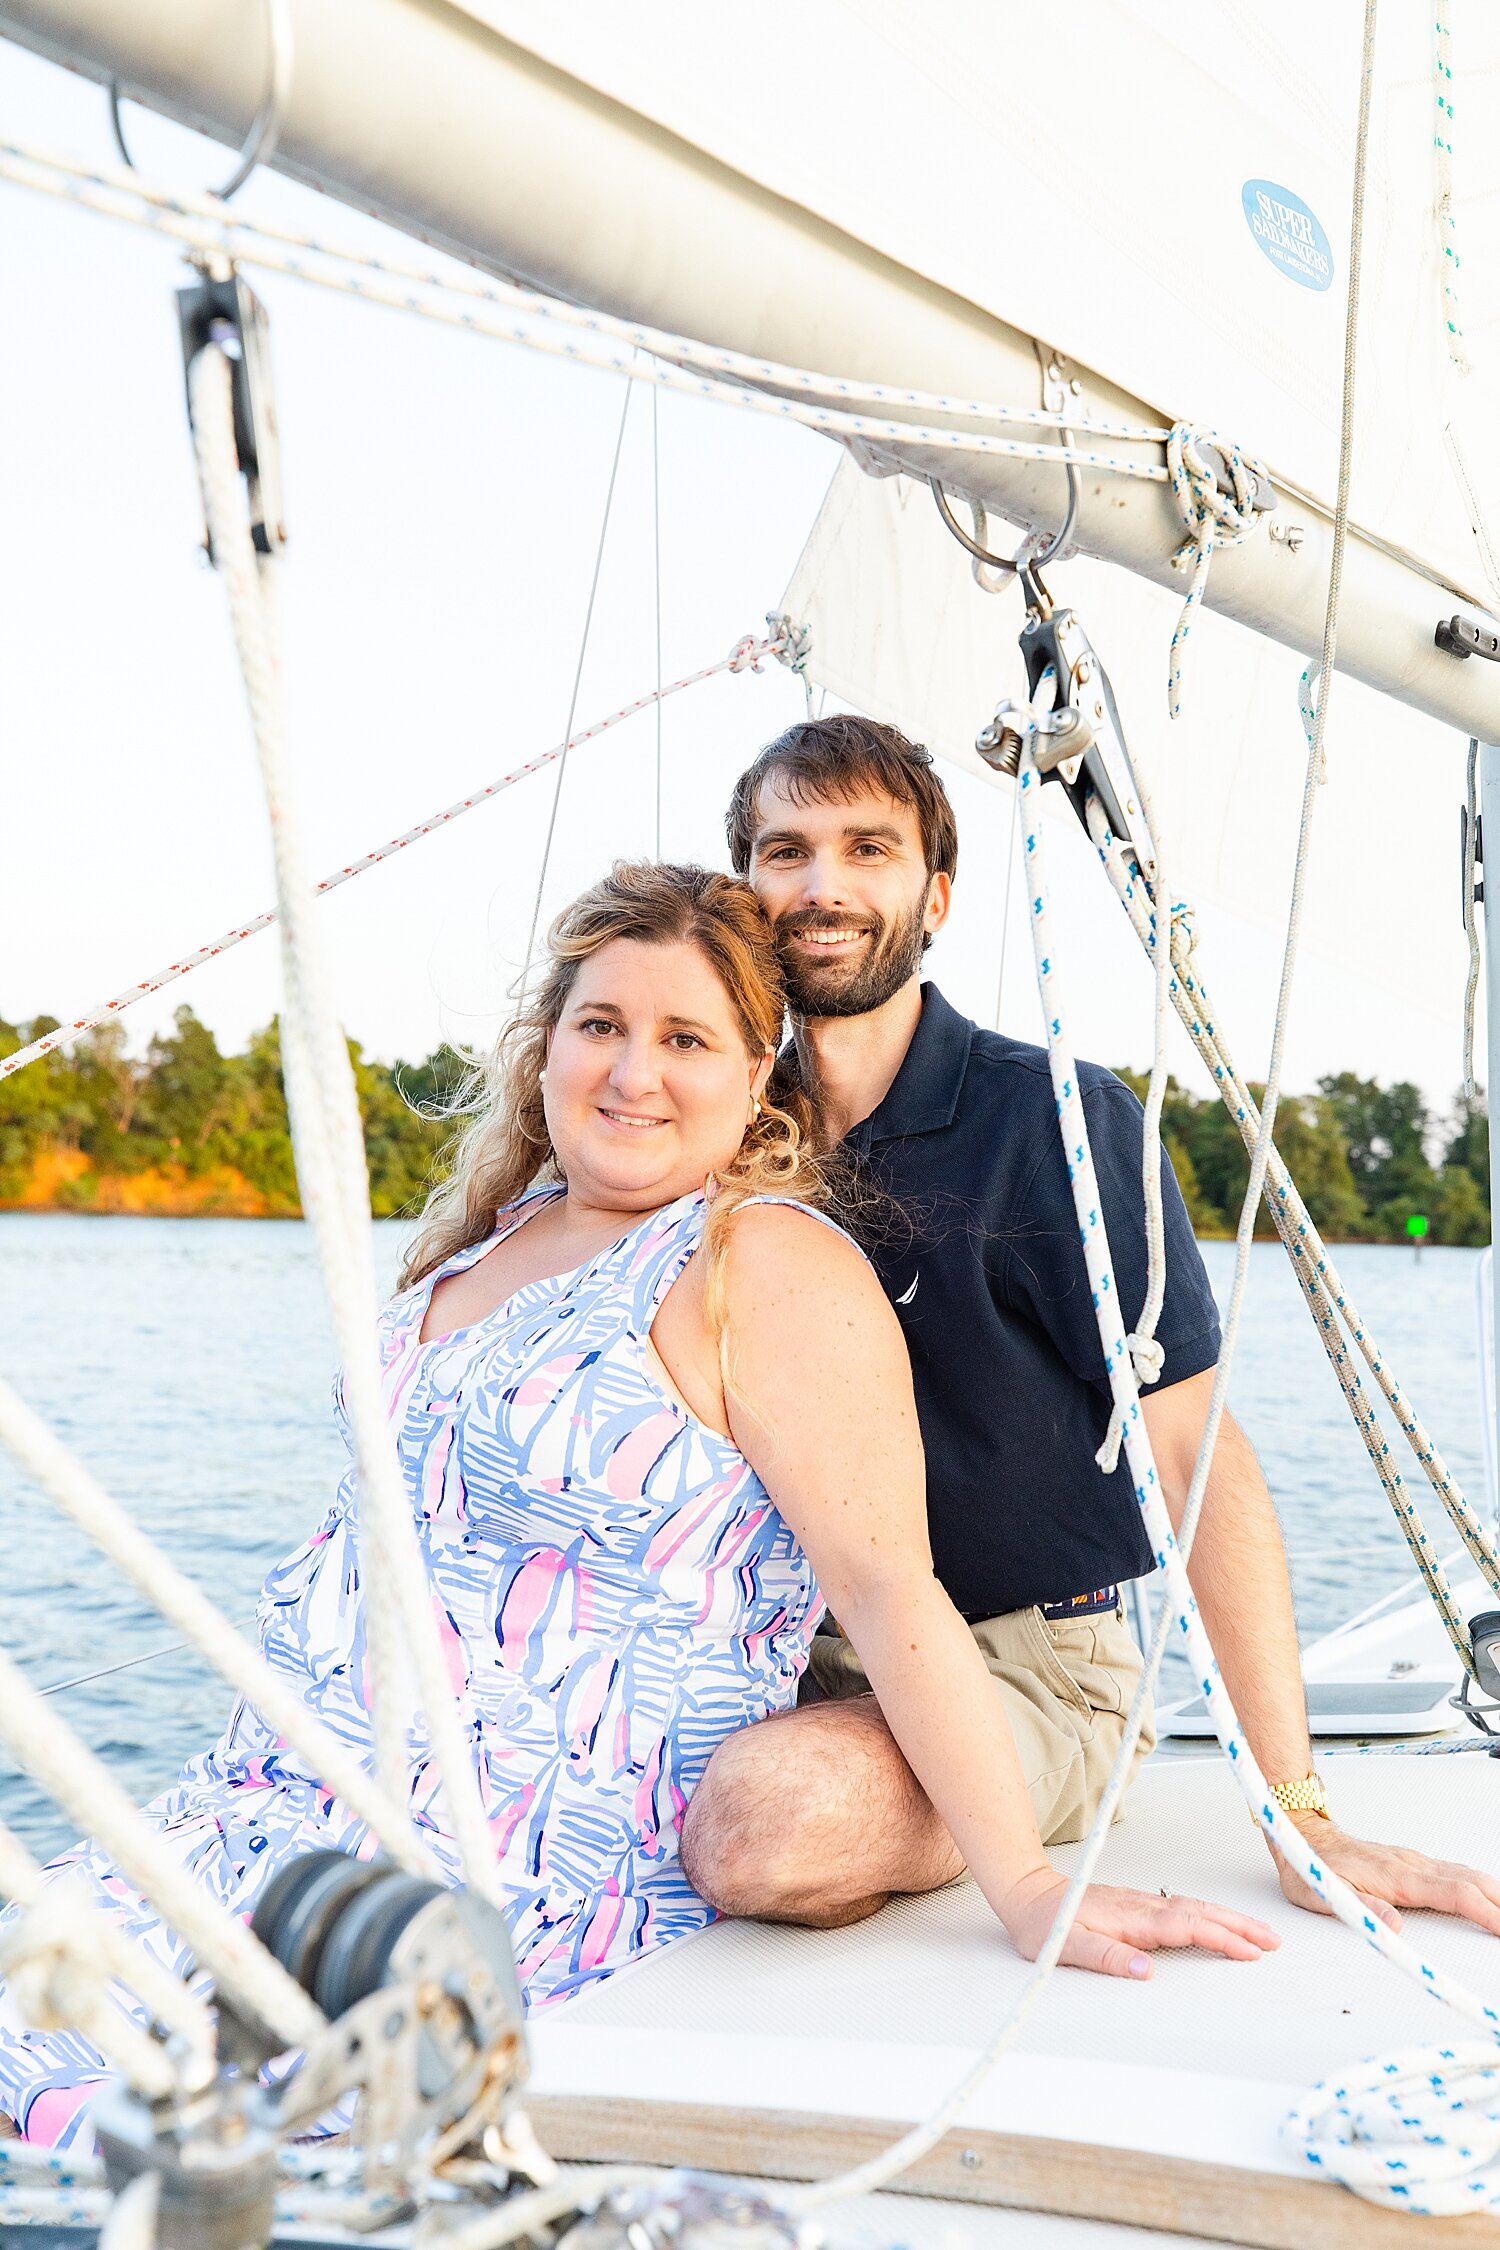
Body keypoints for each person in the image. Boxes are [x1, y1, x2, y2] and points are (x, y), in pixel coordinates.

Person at [0, 861, 1276, 2149]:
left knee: (145, 2110)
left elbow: (892, 1592)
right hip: (285, 1793)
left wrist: (1027, 1881)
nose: (632, 1073)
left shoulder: (759, 1264)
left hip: (528, 1846)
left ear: (757, 1074)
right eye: (600, 1026)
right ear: (545, 1043)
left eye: (686, 1040)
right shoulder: (495, 1234)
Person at [679, 715, 1500, 1952]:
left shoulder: (1052, 1123)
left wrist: (1302, 1816)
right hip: (780, 1652)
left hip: (1025, 1662)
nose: (823, 886)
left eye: (868, 849)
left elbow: (1196, 1460)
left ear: (936, 895)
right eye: (784, 851)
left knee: (768, 1827)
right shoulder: (721, 1132)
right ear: (745, 889)